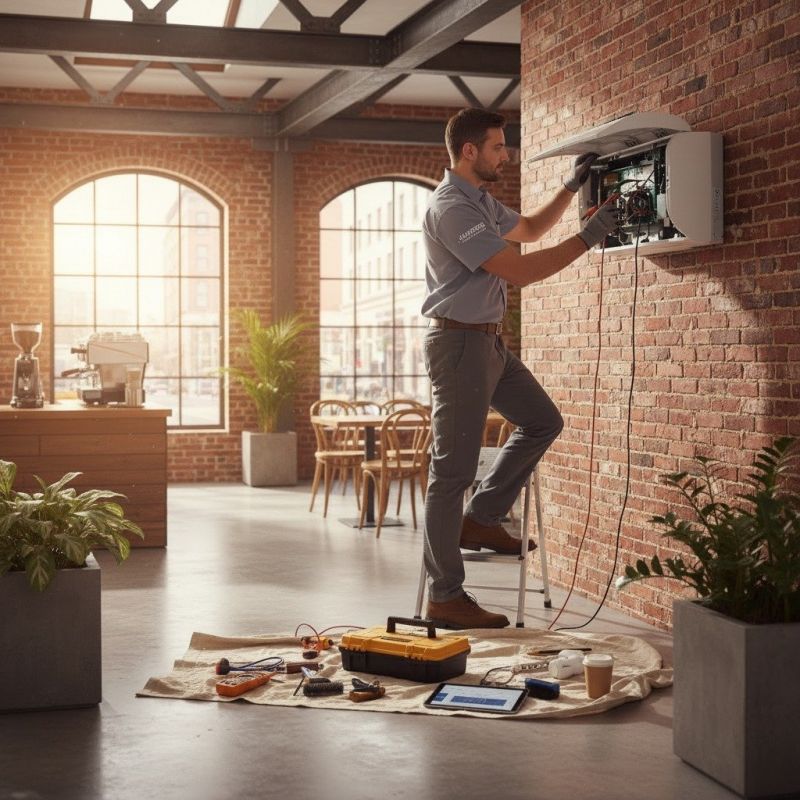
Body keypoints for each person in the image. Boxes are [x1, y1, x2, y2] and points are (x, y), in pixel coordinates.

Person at [421, 107, 618, 629]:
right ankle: (445, 594)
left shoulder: (479, 201)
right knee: (451, 473)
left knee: (542, 420)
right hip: (459, 345)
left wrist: (572, 189)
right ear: (469, 152)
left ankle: (482, 517)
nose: (504, 154)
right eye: (497, 146)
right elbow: (520, 270)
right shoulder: (452, 209)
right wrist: (590, 236)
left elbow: (529, 228)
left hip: (488, 344)